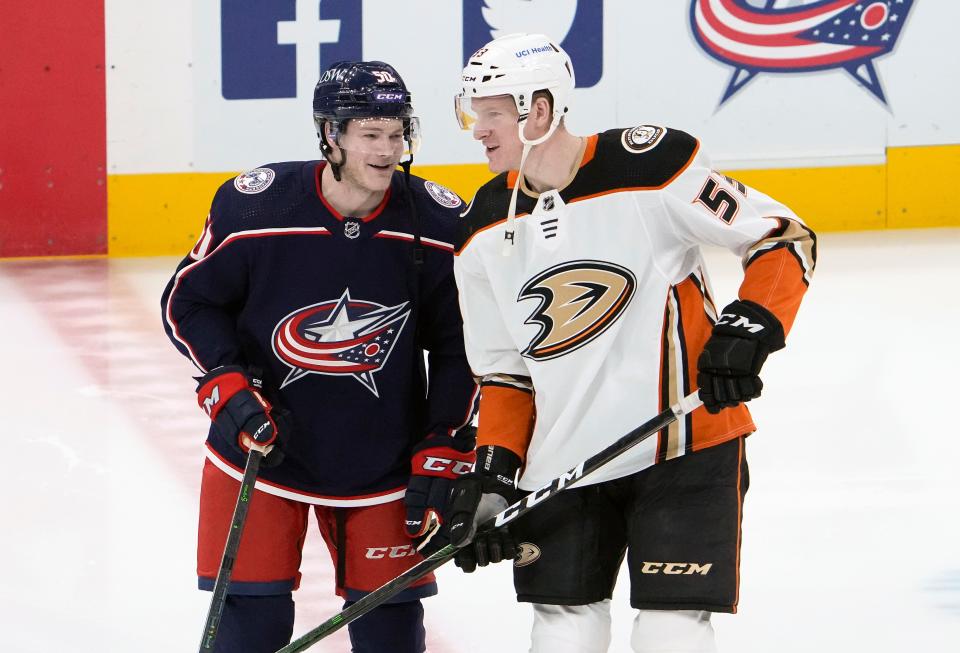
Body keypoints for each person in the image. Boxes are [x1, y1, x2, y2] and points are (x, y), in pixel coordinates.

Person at [446, 33, 817, 653]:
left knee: (671, 632)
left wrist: (751, 325)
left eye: (490, 113)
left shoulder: (650, 167)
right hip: (562, 467)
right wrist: (493, 474)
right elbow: (505, 375)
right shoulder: (482, 230)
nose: (477, 130)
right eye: (472, 113)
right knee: (562, 632)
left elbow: (783, 238)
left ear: (538, 110)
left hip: (683, 446)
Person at [160, 60, 478, 653]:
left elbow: (464, 345)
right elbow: (190, 302)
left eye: (397, 132)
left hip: (384, 460)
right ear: (330, 135)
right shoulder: (255, 209)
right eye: (371, 134)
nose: (389, 149)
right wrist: (226, 386)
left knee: (390, 633)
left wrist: (443, 439)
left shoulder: (437, 223)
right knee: (250, 629)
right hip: (261, 448)